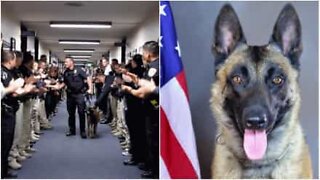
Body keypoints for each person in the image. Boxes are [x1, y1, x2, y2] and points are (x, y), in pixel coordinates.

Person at [122, 41, 159, 178]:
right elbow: (146, 84)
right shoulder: (154, 66)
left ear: (148, 54)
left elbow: (145, 92)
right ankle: (149, 164)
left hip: (153, 108)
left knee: (153, 140)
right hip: (153, 106)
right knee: (149, 138)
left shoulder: (153, 68)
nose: (143, 55)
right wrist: (135, 80)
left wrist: (129, 89)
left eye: (144, 53)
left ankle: (154, 171)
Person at [54, 57, 93, 138]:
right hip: (70, 95)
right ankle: (72, 130)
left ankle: (83, 131)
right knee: (71, 113)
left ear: (72, 62)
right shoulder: (66, 72)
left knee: (81, 113)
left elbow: (88, 78)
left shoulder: (79, 70)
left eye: (66, 62)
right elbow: (65, 83)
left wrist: (90, 88)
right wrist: (58, 87)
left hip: (80, 94)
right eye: (65, 62)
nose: (65, 63)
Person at [1, 50, 19, 178]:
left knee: (6, 143)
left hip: (8, 110)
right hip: (5, 111)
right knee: (5, 143)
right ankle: (2, 172)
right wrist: (19, 85)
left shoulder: (7, 72)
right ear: (10, 60)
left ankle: (4, 170)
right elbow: (10, 92)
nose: (15, 61)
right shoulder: (4, 74)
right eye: (14, 59)